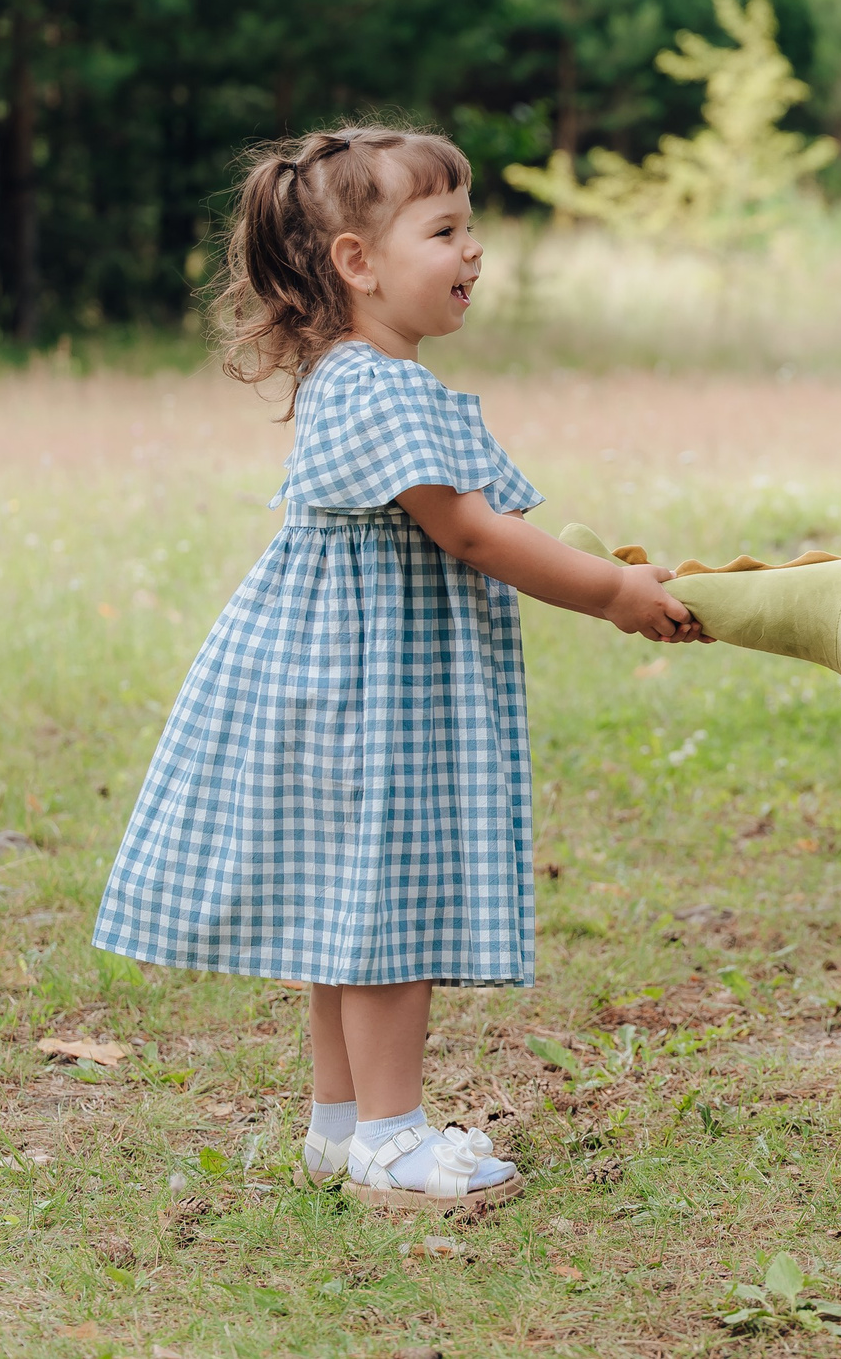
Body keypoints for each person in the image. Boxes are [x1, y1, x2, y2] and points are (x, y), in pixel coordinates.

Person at [92, 126, 703, 1210]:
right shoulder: (379, 386)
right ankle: (391, 1131)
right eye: (445, 229)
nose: (473, 250)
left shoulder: (371, 377)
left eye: (472, 225)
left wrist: (620, 570)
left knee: (351, 905)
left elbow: (482, 515)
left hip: (351, 676)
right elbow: (471, 531)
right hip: (370, 692)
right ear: (356, 262)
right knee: (386, 910)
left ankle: (340, 1126)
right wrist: (612, 593)